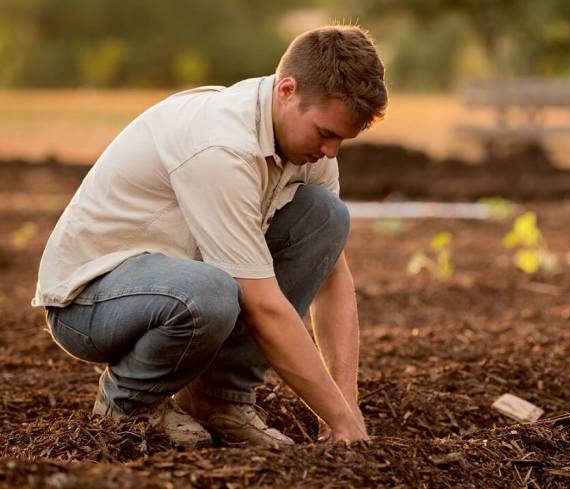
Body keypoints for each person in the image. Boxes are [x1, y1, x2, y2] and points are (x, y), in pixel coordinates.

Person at [31, 25, 388, 449]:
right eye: (326, 133)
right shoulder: (221, 147)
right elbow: (263, 307)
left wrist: (346, 409)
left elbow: (331, 276)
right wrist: (335, 416)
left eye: (341, 140)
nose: (331, 152)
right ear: (287, 90)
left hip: (177, 281)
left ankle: (219, 399)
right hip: (89, 301)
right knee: (212, 292)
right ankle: (129, 405)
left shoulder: (308, 149)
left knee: (326, 216)